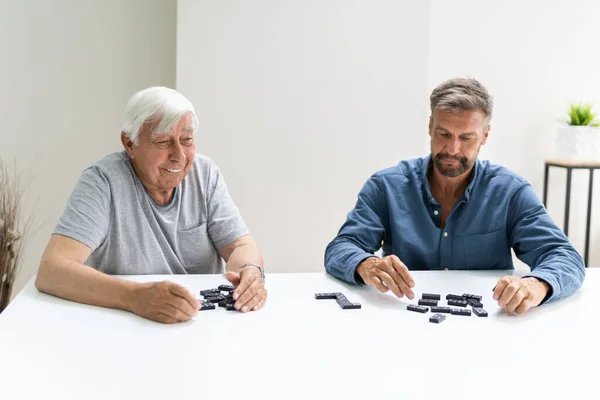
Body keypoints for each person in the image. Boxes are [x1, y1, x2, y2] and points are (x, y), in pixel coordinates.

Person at [325, 77, 585, 314]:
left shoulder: (511, 192)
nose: (452, 148)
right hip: (402, 320)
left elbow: (564, 257)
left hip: (490, 326)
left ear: (485, 135)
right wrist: (365, 264)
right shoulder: (385, 186)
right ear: (430, 127)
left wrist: (537, 285)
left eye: (467, 137)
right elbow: (341, 247)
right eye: (444, 134)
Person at [35, 86, 267, 323]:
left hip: (200, 323)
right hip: (125, 323)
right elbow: (52, 271)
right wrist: (135, 297)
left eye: (186, 139)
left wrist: (249, 272)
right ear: (130, 144)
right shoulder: (102, 181)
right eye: (164, 142)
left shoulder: (204, 173)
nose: (180, 155)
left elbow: (241, 245)